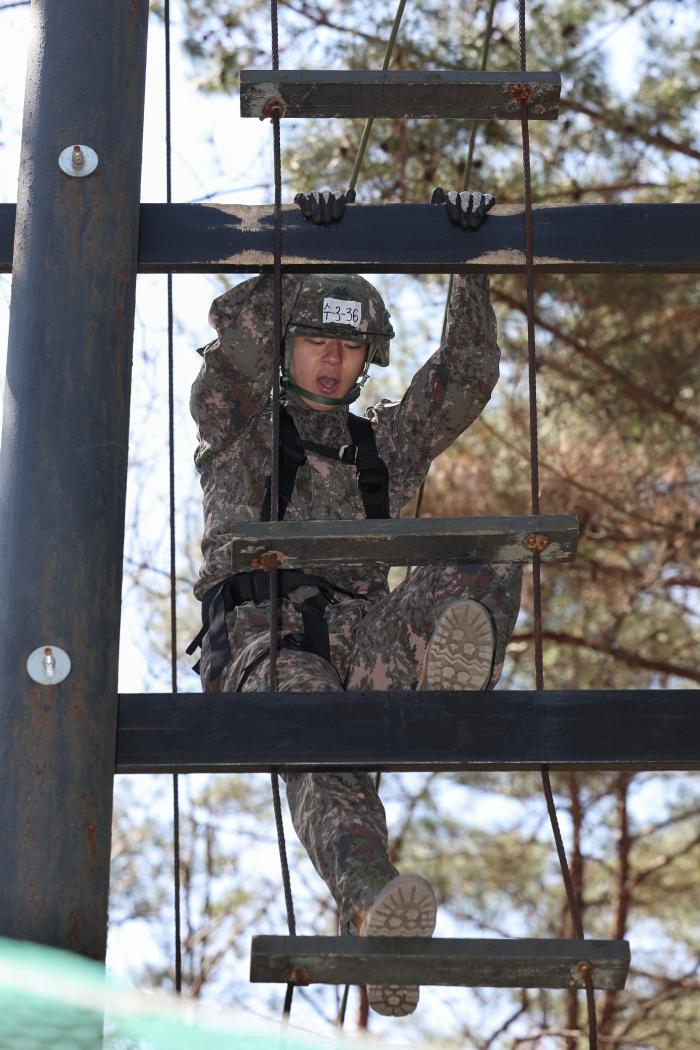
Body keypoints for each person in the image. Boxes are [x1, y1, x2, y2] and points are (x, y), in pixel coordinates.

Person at [188, 189, 522, 1017]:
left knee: (487, 553)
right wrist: (295, 247)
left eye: (347, 345)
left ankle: (447, 673)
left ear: (366, 357)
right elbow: (230, 351)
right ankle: (375, 911)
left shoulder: (386, 446)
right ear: (287, 348)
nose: (332, 360)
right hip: (269, 643)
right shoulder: (239, 427)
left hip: (369, 641)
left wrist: (466, 267)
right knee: (316, 732)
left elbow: (465, 376)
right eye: (314, 341)